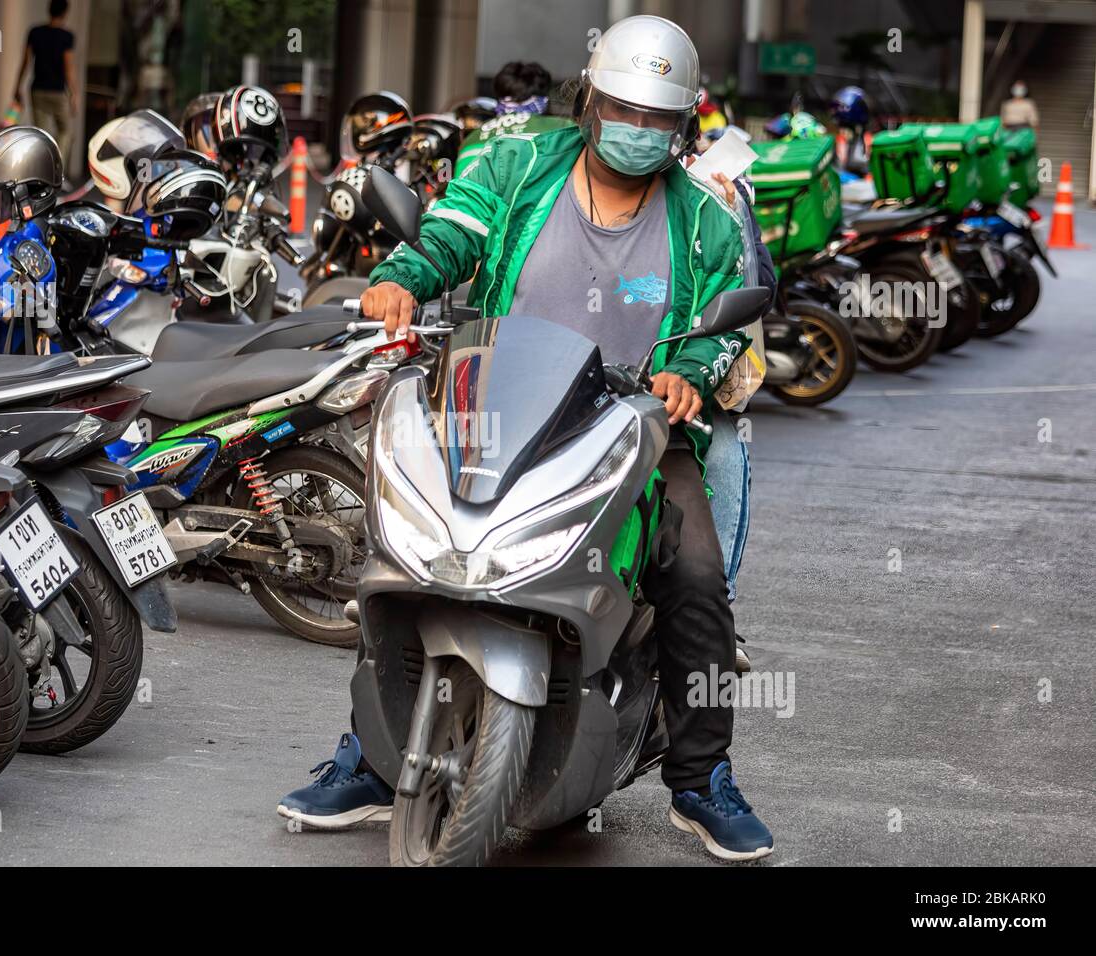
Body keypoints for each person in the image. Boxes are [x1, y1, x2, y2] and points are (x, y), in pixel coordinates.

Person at [278, 15, 776, 862]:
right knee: (403, 555)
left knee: (694, 580)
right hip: (498, 402)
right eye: (624, 108)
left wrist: (689, 366)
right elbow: (451, 234)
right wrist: (401, 277)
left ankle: (701, 779)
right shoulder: (513, 161)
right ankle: (367, 756)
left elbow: (721, 320)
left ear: (684, 126)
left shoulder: (706, 222)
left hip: (633, 428)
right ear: (590, 100)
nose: (639, 130)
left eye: (660, 120)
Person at [14, 0, 78, 167]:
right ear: (65, 13)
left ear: (49, 11)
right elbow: (69, 68)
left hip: (38, 90)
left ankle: (43, 172)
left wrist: (17, 86)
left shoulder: (35, 32)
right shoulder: (66, 36)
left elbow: (25, 62)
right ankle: (58, 170)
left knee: (42, 136)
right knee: (66, 131)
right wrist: (74, 95)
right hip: (58, 92)